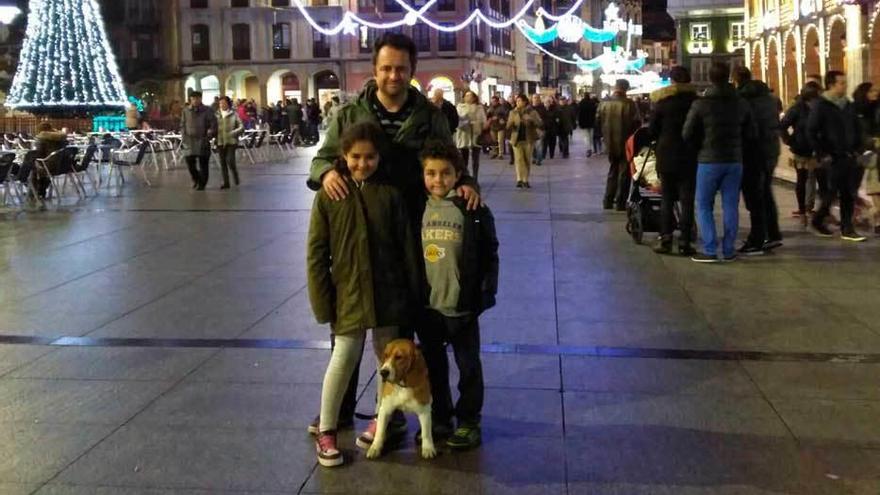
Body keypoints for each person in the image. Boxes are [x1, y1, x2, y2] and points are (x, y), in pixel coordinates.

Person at [308, 32, 480, 441]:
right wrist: (327, 173)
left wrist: (466, 181)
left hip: (420, 229)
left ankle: (424, 409)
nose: (393, 75)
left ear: (412, 71)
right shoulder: (352, 114)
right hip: (365, 224)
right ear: (375, 70)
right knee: (347, 331)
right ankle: (343, 410)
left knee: (417, 324)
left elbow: (449, 158)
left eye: (401, 68)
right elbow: (322, 158)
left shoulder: (429, 114)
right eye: (386, 68)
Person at [307, 121, 420, 468]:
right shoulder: (329, 195)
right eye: (355, 157)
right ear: (343, 156)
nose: (362, 163)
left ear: (379, 157)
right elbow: (316, 251)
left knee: (384, 362)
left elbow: (407, 249)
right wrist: (321, 301)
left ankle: (380, 420)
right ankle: (327, 429)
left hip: (388, 292)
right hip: (349, 292)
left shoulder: (389, 194)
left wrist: (413, 295)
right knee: (343, 357)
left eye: (369, 157)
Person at [417, 139, 499, 450]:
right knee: (435, 366)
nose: (438, 180)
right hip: (429, 307)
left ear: (458, 174)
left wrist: (484, 292)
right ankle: (441, 416)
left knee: (468, 366)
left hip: (462, 306)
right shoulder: (418, 208)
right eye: (431, 173)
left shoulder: (472, 208)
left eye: (445, 173)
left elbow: (490, 251)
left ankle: (469, 420)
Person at [682, 62, 755, 263]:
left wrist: (699, 146)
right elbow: (752, 133)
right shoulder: (741, 103)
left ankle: (710, 249)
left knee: (704, 204)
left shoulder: (700, 104)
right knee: (731, 205)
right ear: (729, 78)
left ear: (710, 78)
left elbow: (687, 133)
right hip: (734, 160)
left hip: (708, 161)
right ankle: (729, 249)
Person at [808, 71, 867, 241]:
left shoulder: (848, 104)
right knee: (834, 191)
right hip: (832, 156)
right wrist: (822, 153)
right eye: (841, 83)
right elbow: (811, 131)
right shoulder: (822, 105)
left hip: (849, 155)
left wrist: (858, 148)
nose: (845, 85)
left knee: (847, 191)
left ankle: (844, 227)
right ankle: (824, 222)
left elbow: (856, 127)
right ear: (832, 85)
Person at [732, 67, 783, 255]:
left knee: (754, 196)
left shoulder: (743, 101)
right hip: (771, 150)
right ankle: (773, 234)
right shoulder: (769, 99)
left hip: (753, 152)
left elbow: (746, 128)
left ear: (736, 80)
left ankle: (757, 239)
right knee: (766, 193)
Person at [648, 66, 698, 256]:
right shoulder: (696, 102)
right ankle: (685, 241)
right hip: (689, 155)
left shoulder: (662, 103)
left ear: (672, 81)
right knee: (687, 199)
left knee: (667, 198)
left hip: (667, 154)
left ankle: (666, 238)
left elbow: (652, 130)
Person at [780, 82, 824, 219]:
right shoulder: (797, 109)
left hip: (818, 149)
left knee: (822, 179)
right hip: (801, 149)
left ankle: (822, 210)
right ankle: (802, 209)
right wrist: (790, 141)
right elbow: (782, 126)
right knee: (802, 179)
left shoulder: (820, 108)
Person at [597, 79, 640, 211]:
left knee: (612, 170)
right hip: (625, 142)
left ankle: (607, 200)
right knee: (624, 172)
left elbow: (597, 121)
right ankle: (621, 202)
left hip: (609, 142)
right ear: (626, 89)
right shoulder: (629, 104)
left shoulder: (604, 103)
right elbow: (637, 123)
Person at [180, 91, 217, 191]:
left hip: (203, 139)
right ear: (190, 99)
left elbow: (213, 124)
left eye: (197, 98)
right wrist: (184, 136)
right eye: (193, 99)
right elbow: (182, 124)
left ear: (201, 99)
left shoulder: (208, 110)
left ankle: (202, 184)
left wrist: (209, 134)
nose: (195, 100)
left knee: (203, 163)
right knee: (190, 162)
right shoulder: (186, 111)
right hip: (189, 140)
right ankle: (196, 179)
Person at [507, 93, 543, 189]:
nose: (517, 103)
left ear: (525, 102)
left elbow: (540, 123)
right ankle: (519, 179)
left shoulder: (532, 112)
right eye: (516, 101)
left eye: (519, 101)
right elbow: (508, 126)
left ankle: (525, 180)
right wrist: (511, 124)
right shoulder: (513, 112)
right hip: (516, 139)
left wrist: (531, 119)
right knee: (519, 159)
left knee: (527, 160)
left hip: (528, 139)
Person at [455, 90, 487, 181]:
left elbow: (483, 120)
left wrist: (478, 124)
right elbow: (457, 120)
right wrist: (466, 120)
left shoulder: (479, 107)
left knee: (475, 158)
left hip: (476, 134)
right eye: (467, 96)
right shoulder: (460, 107)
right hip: (464, 134)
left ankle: (475, 177)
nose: (468, 97)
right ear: (464, 97)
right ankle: (465, 177)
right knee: (464, 158)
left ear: (474, 97)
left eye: (470, 96)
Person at [33, 122, 68, 198]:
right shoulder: (62, 139)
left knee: (31, 167)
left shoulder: (42, 139)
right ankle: (41, 189)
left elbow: (37, 154)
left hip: (48, 167)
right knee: (39, 167)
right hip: (62, 166)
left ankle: (34, 192)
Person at [216, 96, 243, 189]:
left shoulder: (234, 114)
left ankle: (235, 174)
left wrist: (234, 133)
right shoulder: (216, 115)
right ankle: (226, 182)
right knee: (222, 163)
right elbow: (212, 126)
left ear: (228, 104)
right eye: (220, 103)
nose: (222, 105)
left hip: (231, 141)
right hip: (220, 141)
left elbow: (241, 126)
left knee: (230, 160)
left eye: (224, 103)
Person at [577, 92, 598, 157]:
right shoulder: (592, 103)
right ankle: (591, 148)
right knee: (591, 137)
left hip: (583, 123)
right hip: (591, 123)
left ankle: (588, 149)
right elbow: (595, 113)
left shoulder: (581, 103)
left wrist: (579, 123)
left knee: (586, 137)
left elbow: (579, 114)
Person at [530, 94, 548, 166]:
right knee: (532, 145)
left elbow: (546, 119)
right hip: (531, 129)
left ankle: (539, 159)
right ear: (532, 99)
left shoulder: (543, 108)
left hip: (540, 129)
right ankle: (534, 157)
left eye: (537, 98)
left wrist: (542, 124)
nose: (536, 99)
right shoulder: (529, 108)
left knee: (539, 145)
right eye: (534, 98)